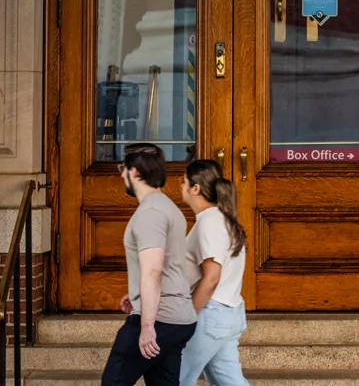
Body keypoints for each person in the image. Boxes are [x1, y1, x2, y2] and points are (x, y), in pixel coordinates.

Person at [101, 143, 197, 386]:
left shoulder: (150, 213)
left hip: (159, 319)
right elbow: (165, 265)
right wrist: (137, 292)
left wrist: (146, 326)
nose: (121, 174)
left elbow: (153, 271)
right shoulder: (167, 207)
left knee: (113, 382)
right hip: (177, 317)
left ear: (134, 172)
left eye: (123, 168)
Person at [177, 159, 249, 386]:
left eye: (183, 182)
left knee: (173, 380)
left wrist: (185, 318)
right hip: (227, 313)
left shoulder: (210, 222)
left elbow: (211, 279)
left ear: (195, 188)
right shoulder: (223, 220)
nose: (181, 187)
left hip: (211, 315)